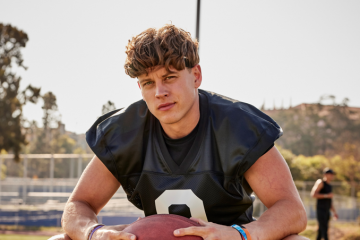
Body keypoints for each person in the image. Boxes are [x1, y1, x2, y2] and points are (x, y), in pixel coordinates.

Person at [50, 24, 308, 240]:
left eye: (170, 77)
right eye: (148, 83)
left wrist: (242, 234)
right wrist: (94, 232)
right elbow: (78, 205)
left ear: (196, 75)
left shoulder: (238, 126)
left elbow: (292, 210)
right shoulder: (124, 132)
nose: (159, 92)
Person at [311, 168, 338, 240]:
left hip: (327, 211)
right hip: (321, 210)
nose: (332, 176)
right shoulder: (321, 183)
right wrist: (326, 195)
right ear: (325, 175)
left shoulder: (329, 186)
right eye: (330, 174)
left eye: (333, 174)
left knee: (321, 231)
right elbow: (313, 194)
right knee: (324, 229)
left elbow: (330, 201)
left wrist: (334, 212)